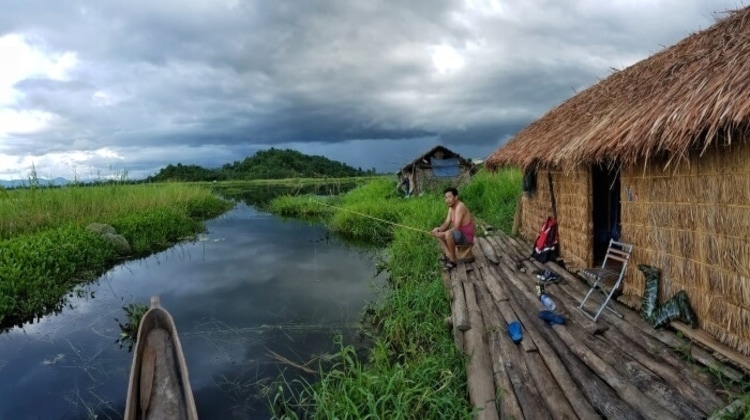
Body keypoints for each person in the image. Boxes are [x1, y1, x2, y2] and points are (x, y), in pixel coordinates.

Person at [430, 187, 475, 270]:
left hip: (466, 237)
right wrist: (438, 230)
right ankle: (448, 255)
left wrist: (443, 234)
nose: (447, 200)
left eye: (449, 197)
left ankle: (453, 261)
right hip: (459, 234)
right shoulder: (451, 208)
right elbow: (446, 223)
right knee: (438, 231)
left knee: (448, 234)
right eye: (446, 197)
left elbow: (456, 227)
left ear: (456, 197)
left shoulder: (459, 207)